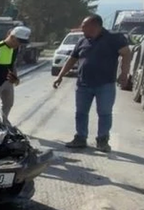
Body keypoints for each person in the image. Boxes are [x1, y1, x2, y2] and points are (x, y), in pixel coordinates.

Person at [53, 14, 132, 153]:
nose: (82, 29)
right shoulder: (82, 41)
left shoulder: (114, 38)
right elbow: (72, 60)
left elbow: (126, 53)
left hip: (105, 85)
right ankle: (80, 138)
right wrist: (60, 76)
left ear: (95, 25)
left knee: (104, 113)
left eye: (84, 26)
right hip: (83, 84)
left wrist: (124, 73)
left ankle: (102, 141)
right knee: (81, 113)